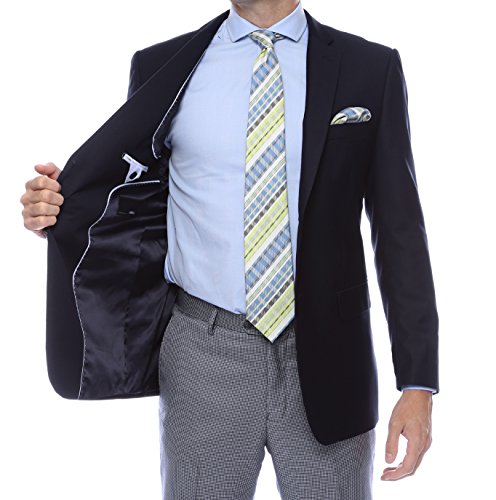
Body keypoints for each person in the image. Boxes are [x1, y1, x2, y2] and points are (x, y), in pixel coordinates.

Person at [19, 0, 439, 498]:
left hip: (331, 353)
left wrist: (418, 383)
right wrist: (60, 211)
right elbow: (130, 202)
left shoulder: (370, 67)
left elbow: (400, 231)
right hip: (203, 352)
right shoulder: (161, 66)